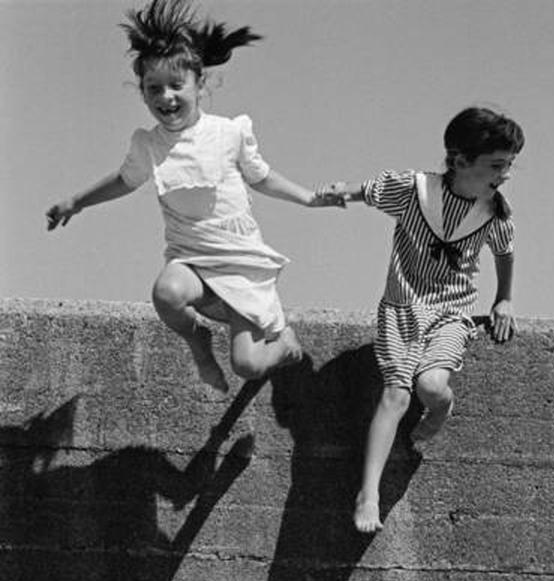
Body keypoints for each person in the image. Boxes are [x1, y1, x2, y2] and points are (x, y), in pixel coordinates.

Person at [46, 0, 342, 394]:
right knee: (166, 292)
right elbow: (123, 181)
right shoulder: (147, 145)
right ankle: (199, 346)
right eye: (154, 89)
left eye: (176, 86)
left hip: (239, 261)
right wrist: (76, 201)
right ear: (142, 92)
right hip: (192, 260)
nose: (165, 97)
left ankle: (284, 346)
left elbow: (262, 177)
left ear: (200, 85)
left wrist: (308, 198)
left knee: (248, 365)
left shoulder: (228, 133)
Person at [319, 106, 525, 533]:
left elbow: (504, 254)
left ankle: (440, 410)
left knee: (431, 386)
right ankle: (368, 494)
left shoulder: (494, 212)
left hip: (451, 311)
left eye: (509, 165)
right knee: (395, 395)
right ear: (460, 160)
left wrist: (503, 299)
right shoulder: (415, 192)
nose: (505, 174)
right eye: (497, 165)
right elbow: (368, 190)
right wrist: (337, 191)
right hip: (401, 307)